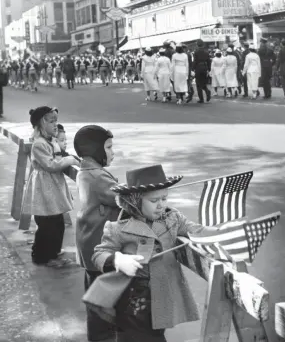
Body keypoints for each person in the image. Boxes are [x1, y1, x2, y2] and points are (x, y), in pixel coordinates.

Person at [91, 164, 237, 342]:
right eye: (154, 201)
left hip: (162, 296)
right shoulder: (118, 228)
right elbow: (99, 254)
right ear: (135, 200)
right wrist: (119, 260)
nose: (161, 205)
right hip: (132, 298)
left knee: (155, 333)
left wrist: (222, 231)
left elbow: (196, 231)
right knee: (136, 337)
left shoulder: (172, 218)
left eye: (164, 199)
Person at [74, 125, 121, 342]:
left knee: (95, 293)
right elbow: (122, 198)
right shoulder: (97, 175)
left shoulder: (86, 170)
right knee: (102, 300)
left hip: (88, 243)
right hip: (98, 245)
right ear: (96, 150)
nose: (113, 152)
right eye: (109, 147)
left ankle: (100, 335)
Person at [21, 106, 79, 267]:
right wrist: (69, 161)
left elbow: (62, 155)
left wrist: (74, 159)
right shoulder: (39, 144)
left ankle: (53, 252)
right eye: (51, 121)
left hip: (52, 186)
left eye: (56, 121)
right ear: (41, 124)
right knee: (47, 224)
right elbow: (50, 164)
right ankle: (41, 256)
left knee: (57, 222)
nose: (55, 125)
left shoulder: (50, 141)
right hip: (44, 188)